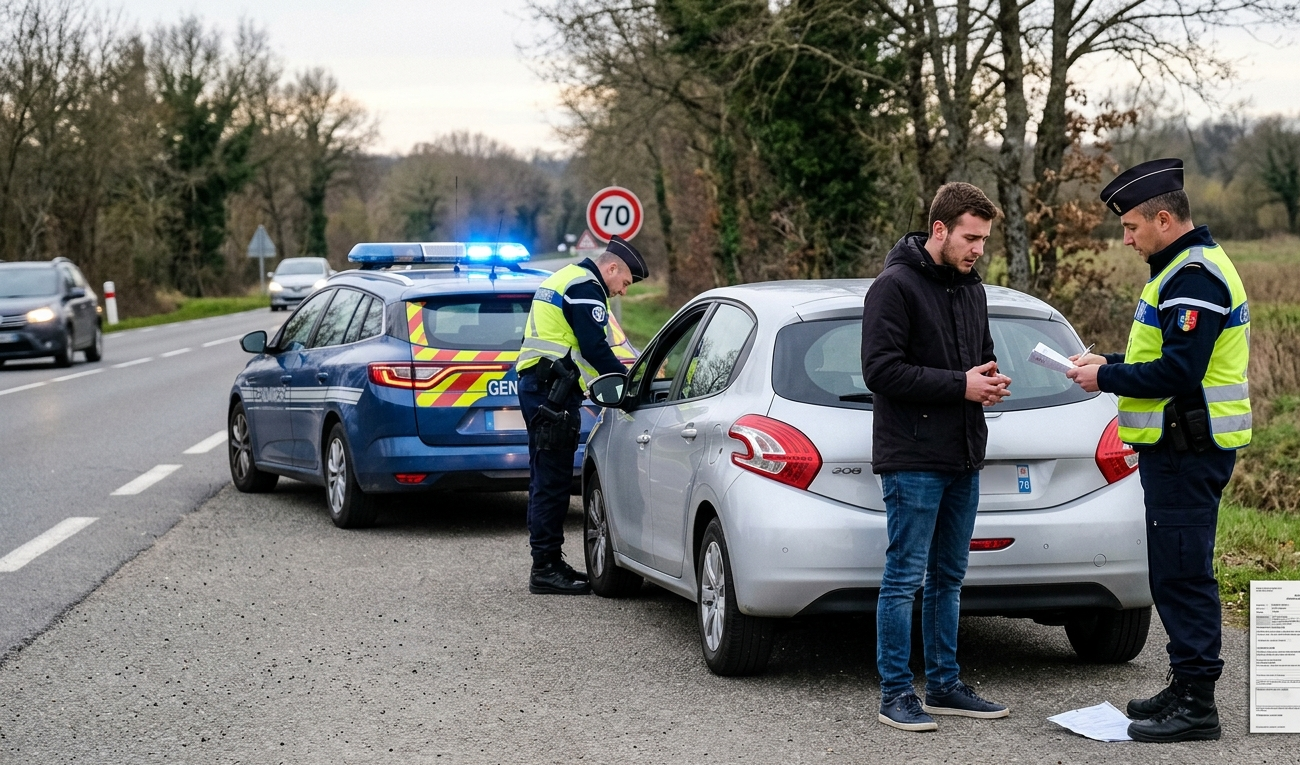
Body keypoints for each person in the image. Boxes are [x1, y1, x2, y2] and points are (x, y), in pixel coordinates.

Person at [1067, 158, 1249, 744]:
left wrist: (1107, 381)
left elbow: (1179, 369)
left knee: (1184, 575)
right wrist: (1111, 364)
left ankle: (1197, 705)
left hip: (1188, 449)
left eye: (1130, 227)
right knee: (1172, 572)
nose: (1125, 239)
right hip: (1177, 447)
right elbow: (1165, 359)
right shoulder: (1179, 270)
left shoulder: (1194, 276)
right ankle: (1183, 685)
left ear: (1164, 219)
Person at [861, 182, 1012, 732]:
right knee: (904, 577)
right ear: (940, 230)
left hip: (965, 452)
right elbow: (880, 371)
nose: (978, 250)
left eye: (985, 241)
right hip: (913, 456)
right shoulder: (893, 287)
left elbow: (981, 357)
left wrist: (988, 381)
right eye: (971, 238)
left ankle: (946, 685)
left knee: (950, 576)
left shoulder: (972, 288)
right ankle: (896, 694)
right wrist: (960, 386)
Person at [515, 236, 648, 595]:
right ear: (612, 267)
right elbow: (593, 347)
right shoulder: (587, 287)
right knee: (553, 481)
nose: (622, 291)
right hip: (551, 393)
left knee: (545, 477)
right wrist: (629, 385)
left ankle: (547, 562)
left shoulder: (565, 278)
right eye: (625, 283)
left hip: (542, 388)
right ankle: (545, 568)